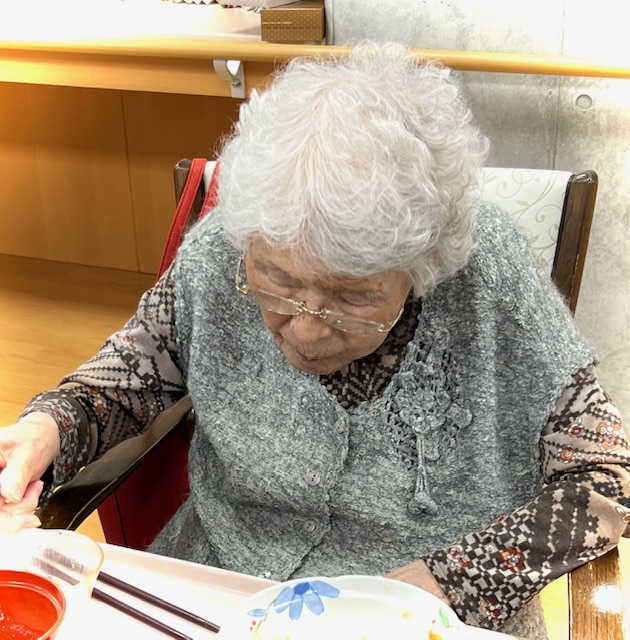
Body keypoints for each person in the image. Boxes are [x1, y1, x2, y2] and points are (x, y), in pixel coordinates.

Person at [1, 42, 628, 639]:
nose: (304, 329)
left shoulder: (489, 275)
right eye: (277, 279)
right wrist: (45, 431)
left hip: (425, 614)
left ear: (423, 266)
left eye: (352, 296)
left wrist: (450, 582)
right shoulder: (228, 241)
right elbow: (125, 380)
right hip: (220, 589)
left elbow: (605, 477)